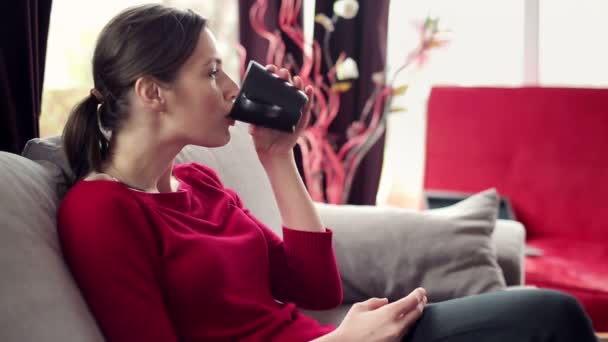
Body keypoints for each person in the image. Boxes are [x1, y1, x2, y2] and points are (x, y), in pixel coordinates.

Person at [57, 4, 598, 342]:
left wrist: (278, 156)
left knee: (551, 315)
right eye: (212, 72)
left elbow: (315, 288)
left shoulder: (199, 184)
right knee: (548, 317)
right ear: (152, 92)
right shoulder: (100, 211)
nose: (231, 89)